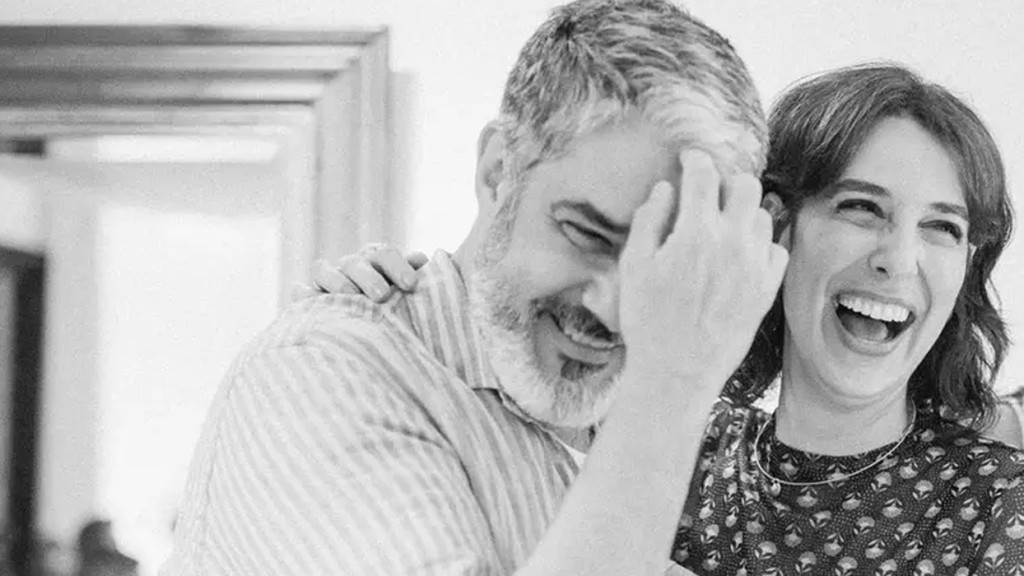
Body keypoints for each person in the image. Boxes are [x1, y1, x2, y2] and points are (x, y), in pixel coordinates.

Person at [320, 64, 1024, 574]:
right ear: (772, 226)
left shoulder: (1001, 503)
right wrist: (405, 301)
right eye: (861, 208)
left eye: (943, 228)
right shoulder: (653, 431)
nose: (899, 260)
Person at [161, 1, 785, 574]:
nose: (619, 306)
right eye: (588, 234)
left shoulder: (634, 436)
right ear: (497, 172)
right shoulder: (316, 373)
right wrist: (672, 380)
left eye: (665, 265)